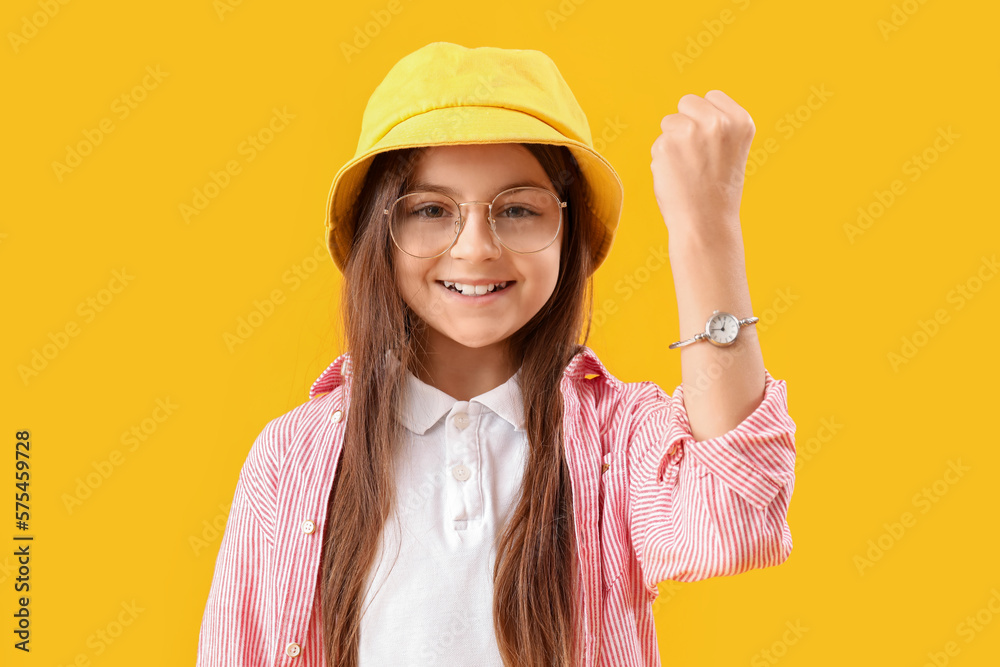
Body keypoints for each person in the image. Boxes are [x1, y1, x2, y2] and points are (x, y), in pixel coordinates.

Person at [196, 42, 797, 667]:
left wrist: (706, 226)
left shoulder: (616, 440)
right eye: (430, 210)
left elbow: (735, 521)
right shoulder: (291, 455)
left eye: (517, 209)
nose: (477, 248)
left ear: (570, 232)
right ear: (380, 232)